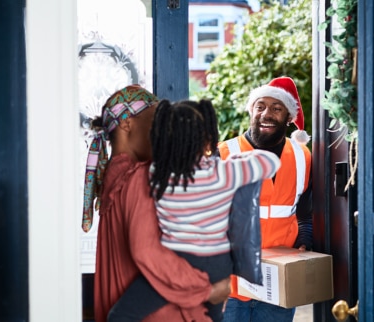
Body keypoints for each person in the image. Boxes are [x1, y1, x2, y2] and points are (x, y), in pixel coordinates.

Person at [107, 99, 281, 322]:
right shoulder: (224, 172)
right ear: (207, 139)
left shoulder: (155, 175)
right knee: (210, 317)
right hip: (217, 263)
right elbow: (270, 162)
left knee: (121, 315)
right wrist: (238, 159)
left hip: (176, 259)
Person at [84, 85, 231, 322]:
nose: (163, 133)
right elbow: (149, 251)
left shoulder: (115, 175)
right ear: (126, 124)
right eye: (156, 123)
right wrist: (208, 289)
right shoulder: (141, 176)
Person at [218, 77, 313, 322]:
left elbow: (306, 210)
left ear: (289, 117)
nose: (266, 114)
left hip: (277, 284)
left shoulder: (303, 157)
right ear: (252, 110)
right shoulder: (224, 155)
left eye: (276, 108)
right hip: (229, 286)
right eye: (260, 106)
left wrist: (305, 236)